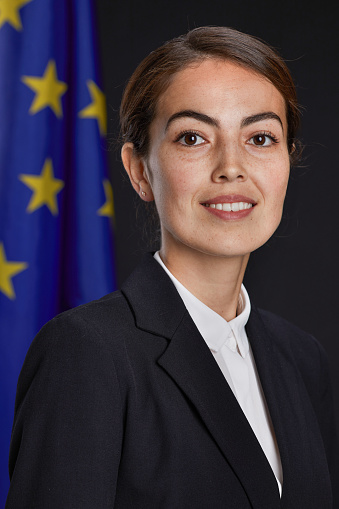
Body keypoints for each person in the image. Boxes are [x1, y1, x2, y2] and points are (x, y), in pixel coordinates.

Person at [5, 26, 339, 508]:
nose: (231, 166)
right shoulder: (86, 353)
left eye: (261, 137)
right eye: (193, 137)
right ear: (140, 170)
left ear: (288, 160)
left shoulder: (302, 360)